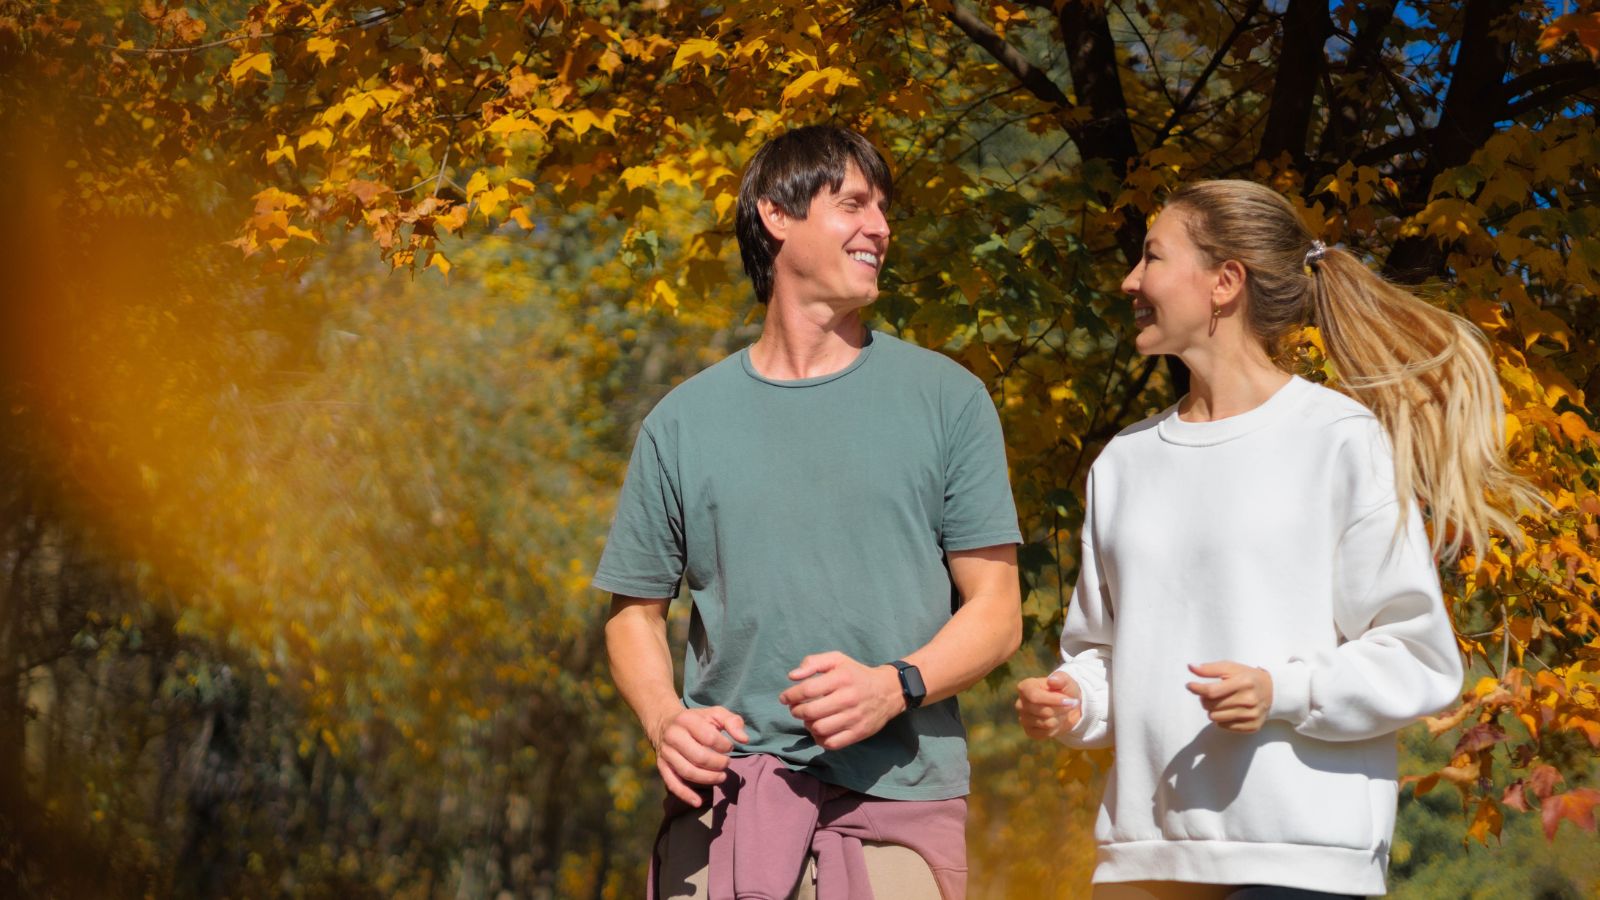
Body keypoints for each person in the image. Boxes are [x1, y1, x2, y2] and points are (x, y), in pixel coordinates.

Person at [1016, 179, 1534, 898]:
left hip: (1300, 857)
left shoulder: (1338, 440)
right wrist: (1074, 698)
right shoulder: (1123, 463)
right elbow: (1105, 651)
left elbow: (1417, 655)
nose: (1130, 280)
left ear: (1225, 282)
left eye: (1152, 257)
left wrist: (1280, 691)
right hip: (1146, 854)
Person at [596, 124, 1022, 899]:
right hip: (725, 808)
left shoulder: (948, 400)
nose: (880, 227)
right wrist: (664, 720)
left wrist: (895, 686)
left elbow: (997, 611)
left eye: (883, 208)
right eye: (853, 204)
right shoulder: (682, 422)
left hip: (896, 807)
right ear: (776, 214)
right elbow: (633, 616)